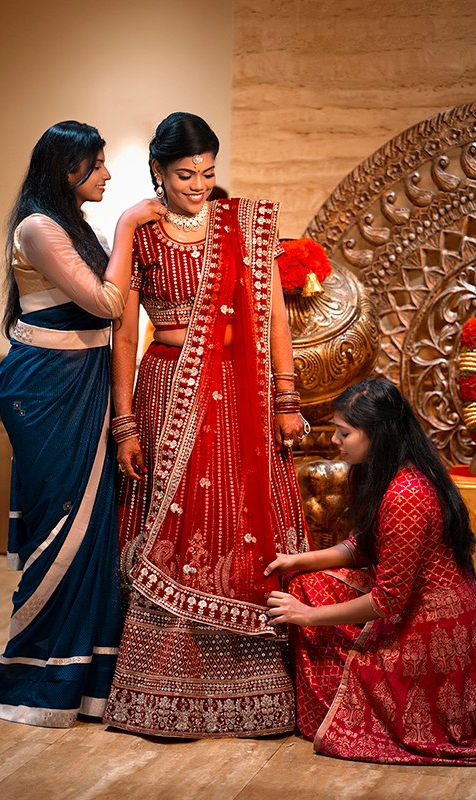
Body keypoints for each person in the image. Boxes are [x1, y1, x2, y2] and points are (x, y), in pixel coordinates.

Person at [102, 112, 312, 738]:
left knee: (238, 524)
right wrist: (125, 421)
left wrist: (286, 395)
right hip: (167, 386)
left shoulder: (242, 227)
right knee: (169, 527)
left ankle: (257, 692)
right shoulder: (142, 230)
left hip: (237, 396)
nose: (198, 185)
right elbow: (121, 330)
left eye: (208, 172)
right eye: (185, 174)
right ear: (158, 173)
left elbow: (272, 312)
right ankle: (164, 690)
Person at [0, 120, 166, 727]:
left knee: (95, 525)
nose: (108, 175)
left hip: (83, 382)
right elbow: (107, 303)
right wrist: (134, 224)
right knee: (62, 520)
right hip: (47, 388)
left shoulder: (73, 225)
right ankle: (36, 672)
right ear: (67, 169)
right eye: (98, 164)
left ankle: (86, 680)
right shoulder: (37, 227)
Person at [266, 378, 476, 764]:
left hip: (431, 622)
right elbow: (363, 546)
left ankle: (335, 712)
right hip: (411, 602)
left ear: (376, 434)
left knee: (308, 605)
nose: (335, 441)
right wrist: (298, 559)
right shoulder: (387, 474)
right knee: (305, 582)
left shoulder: (406, 493)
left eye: (345, 433)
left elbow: (388, 599)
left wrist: (307, 615)